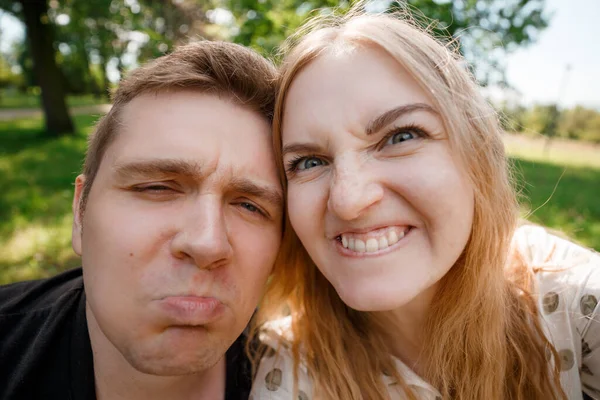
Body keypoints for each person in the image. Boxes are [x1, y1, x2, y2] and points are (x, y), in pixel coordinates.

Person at [249, 8, 600, 400]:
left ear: (476, 154)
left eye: (401, 137)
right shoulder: (291, 372)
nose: (349, 200)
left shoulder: (571, 303)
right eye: (309, 163)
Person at [0, 41, 283, 400]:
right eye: (157, 187)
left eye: (249, 206)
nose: (208, 243)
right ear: (79, 213)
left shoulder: (308, 383)